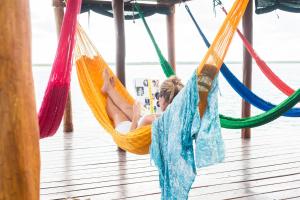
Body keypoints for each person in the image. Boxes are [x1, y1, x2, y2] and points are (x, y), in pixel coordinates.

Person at [101, 69, 184, 133]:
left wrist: (135, 117)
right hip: (139, 124)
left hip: (127, 131)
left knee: (116, 113)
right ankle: (109, 89)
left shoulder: (150, 119)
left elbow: (131, 139)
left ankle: (108, 93)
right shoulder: (178, 116)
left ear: (164, 99)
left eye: (159, 96)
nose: (158, 99)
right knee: (127, 108)